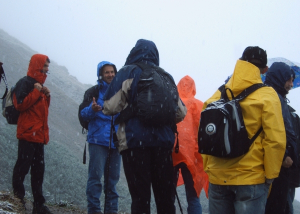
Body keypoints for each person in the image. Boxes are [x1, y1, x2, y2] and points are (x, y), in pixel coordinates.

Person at [102, 39, 187, 214]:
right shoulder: (165, 76)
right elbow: (180, 113)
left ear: (134, 52)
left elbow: (109, 107)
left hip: (135, 143)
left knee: (140, 199)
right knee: (165, 199)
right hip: (163, 145)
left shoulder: (128, 72)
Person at [201, 46, 286, 214]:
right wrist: (270, 176)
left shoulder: (218, 94)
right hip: (250, 178)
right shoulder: (268, 95)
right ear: (265, 69)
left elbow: (206, 133)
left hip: (218, 178)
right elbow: (275, 140)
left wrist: (210, 168)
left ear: (240, 62)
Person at [12, 54, 52, 214]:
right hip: (28, 134)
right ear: (38, 65)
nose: (47, 69)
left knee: (38, 170)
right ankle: (18, 198)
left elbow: (41, 112)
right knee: (22, 167)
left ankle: (38, 204)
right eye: (45, 65)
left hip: (38, 135)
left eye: (48, 66)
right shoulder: (25, 83)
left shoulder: (39, 85)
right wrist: (36, 92)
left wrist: (47, 97)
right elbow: (19, 104)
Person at [80, 61, 120, 214]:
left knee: (112, 182)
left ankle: (111, 211)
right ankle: (94, 211)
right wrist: (92, 109)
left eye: (112, 72)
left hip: (116, 142)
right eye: (107, 72)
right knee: (95, 179)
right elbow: (82, 114)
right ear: (101, 75)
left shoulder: (120, 92)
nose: (110, 75)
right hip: (97, 141)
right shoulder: (93, 92)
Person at [264, 62, 297, 214]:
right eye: (289, 79)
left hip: (280, 167)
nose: (291, 84)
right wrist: (284, 156)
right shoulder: (272, 98)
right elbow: (269, 130)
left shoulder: (280, 98)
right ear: (279, 78)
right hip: (276, 168)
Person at [172, 75, 209, 214]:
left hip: (173, 153)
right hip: (192, 156)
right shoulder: (199, 105)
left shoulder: (172, 102)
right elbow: (204, 132)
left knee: (168, 196)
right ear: (193, 87)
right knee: (193, 196)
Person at [286, 105, 300, 214]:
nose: (291, 86)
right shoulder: (292, 116)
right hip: (287, 173)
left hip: (289, 172)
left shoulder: (293, 116)